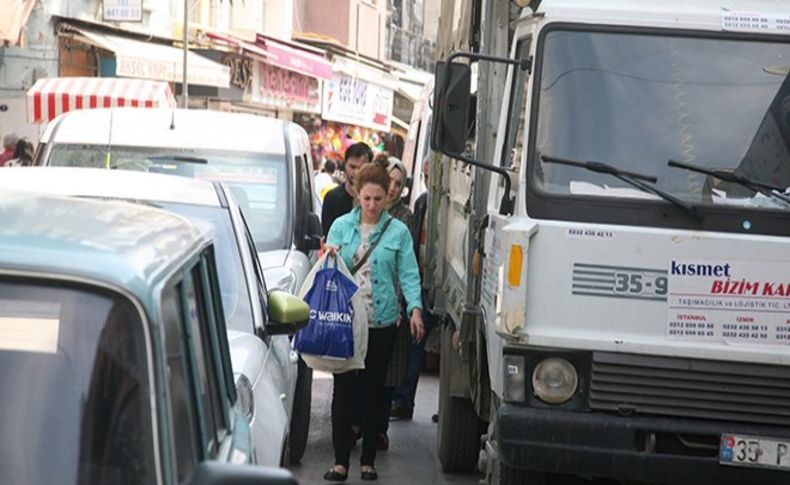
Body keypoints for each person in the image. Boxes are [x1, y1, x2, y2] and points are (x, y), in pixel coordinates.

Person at [323, 162, 424, 482]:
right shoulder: (340, 226)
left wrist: (415, 310)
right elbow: (328, 268)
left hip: (381, 323)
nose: (372, 205)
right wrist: (327, 254)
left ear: (387, 198)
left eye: (378, 199)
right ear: (357, 194)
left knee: (373, 390)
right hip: (346, 321)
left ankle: (367, 461)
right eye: (367, 198)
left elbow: (409, 273)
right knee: (343, 391)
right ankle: (341, 461)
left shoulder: (398, 232)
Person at [391, 156, 437, 420]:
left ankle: (403, 399)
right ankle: (402, 400)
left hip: (432, 284)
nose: (429, 183)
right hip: (417, 281)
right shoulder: (421, 203)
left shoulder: (408, 213)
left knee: (417, 342)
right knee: (413, 342)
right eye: (426, 177)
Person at [375, 154, 413, 449]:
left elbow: (406, 268)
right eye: (391, 181)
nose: (393, 189)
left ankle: (379, 427)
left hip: (392, 309)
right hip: (364, 304)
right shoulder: (366, 208)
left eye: (399, 185)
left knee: (387, 376)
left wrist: (401, 305)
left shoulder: (405, 219)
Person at [321, 142, 373, 236]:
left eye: (361, 168)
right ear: (345, 164)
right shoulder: (332, 198)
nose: (356, 172)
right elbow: (327, 237)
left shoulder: (375, 201)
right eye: (352, 167)